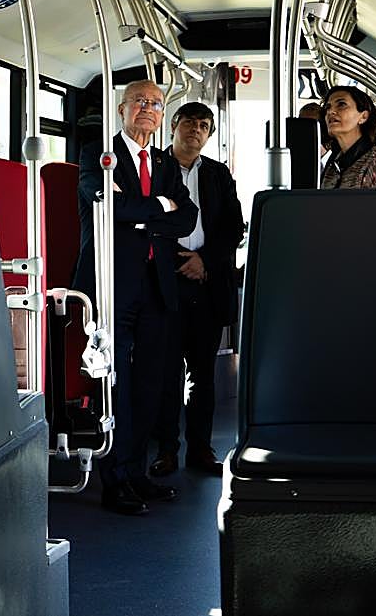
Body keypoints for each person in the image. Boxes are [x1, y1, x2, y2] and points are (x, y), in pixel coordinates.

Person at [73, 80, 198, 515]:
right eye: (140, 102)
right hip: (111, 282)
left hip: (155, 284)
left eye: (157, 104)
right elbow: (108, 205)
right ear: (123, 109)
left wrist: (145, 214)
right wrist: (157, 209)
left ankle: (137, 471)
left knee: (151, 382)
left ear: (163, 116)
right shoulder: (98, 155)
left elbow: (187, 218)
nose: (148, 109)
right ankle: (115, 480)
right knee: (116, 384)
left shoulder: (163, 162)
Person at [149, 102, 244, 478]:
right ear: (174, 125)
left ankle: (201, 449)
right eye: (190, 122)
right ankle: (167, 450)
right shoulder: (155, 167)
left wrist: (204, 260)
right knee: (166, 371)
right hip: (165, 281)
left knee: (202, 374)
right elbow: (147, 220)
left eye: (205, 126)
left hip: (206, 283)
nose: (197, 130)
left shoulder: (219, 175)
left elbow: (233, 228)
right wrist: (177, 260)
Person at [320, 85, 376, 189]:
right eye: (328, 107)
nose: (331, 112)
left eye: (341, 104)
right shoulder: (335, 162)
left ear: (363, 117)